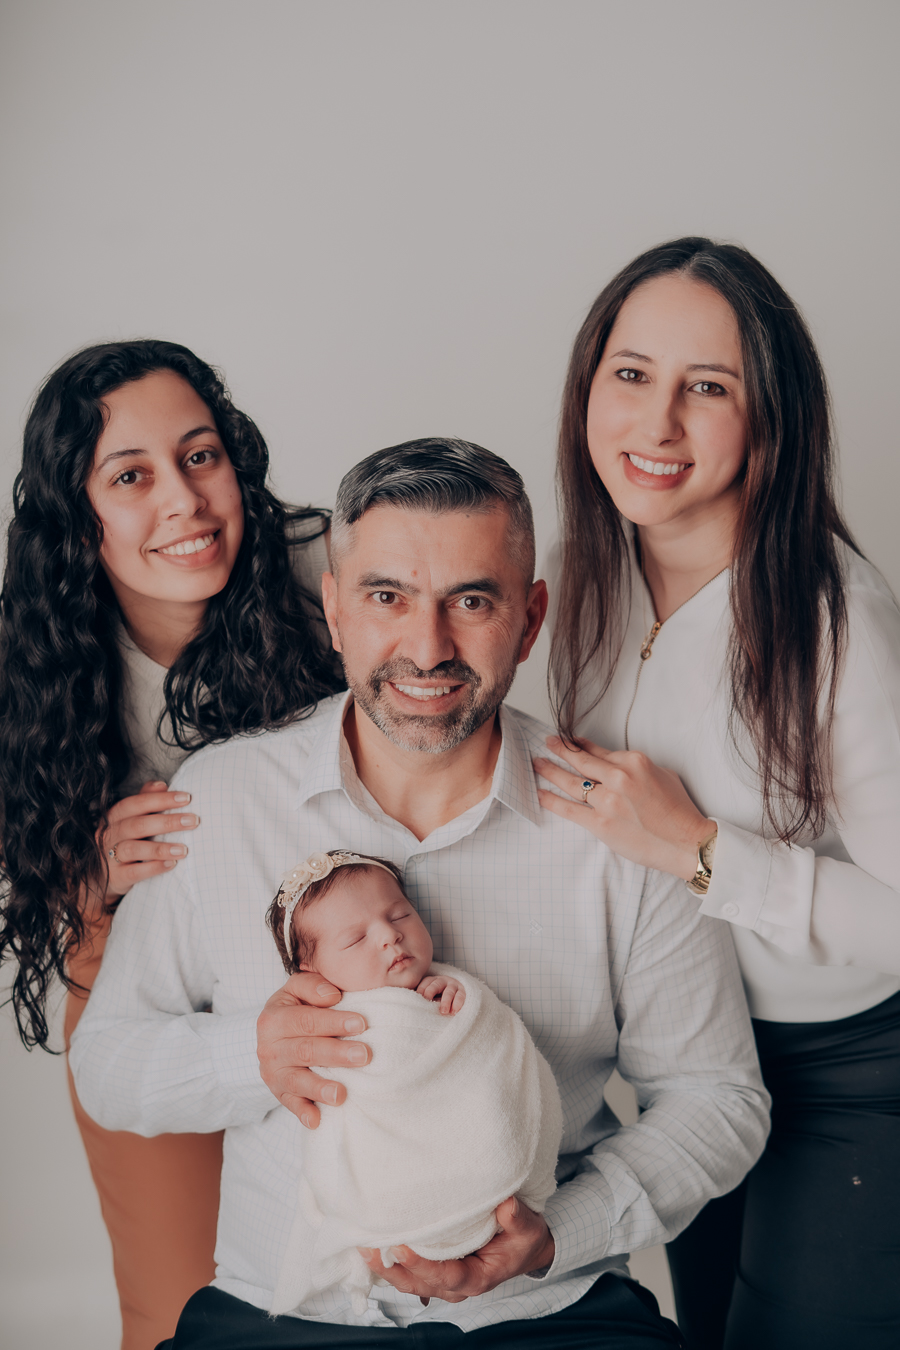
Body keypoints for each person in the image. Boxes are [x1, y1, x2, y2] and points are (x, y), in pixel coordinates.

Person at [71, 438, 768, 1350]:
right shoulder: (219, 800)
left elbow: (718, 1098)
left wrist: (560, 1233)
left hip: (546, 1312)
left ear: (530, 619)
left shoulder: (622, 826)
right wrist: (253, 1057)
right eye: (386, 598)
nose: (428, 648)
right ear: (334, 611)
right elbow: (109, 1065)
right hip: (283, 1313)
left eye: (471, 601)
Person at [537, 237, 900, 1350]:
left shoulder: (836, 617)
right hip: (682, 1070)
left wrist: (700, 849)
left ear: (768, 420)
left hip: (848, 1076)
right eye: (631, 374)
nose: (657, 424)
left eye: (707, 388)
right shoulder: (580, 579)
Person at [0, 339, 343, 1350]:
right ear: (79, 516)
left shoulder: (326, 566)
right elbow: (27, 863)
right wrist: (82, 869)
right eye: (131, 476)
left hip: (324, 959)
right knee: (179, 1306)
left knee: (343, 1283)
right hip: (134, 969)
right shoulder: (30, 646)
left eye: (200, 457)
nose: (184, 501)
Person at [265, 848, 561, 1317]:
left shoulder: (446, 989)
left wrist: (457, 1002)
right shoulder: (323, 1025)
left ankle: (472, 1192)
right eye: (356, 938)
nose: (390, 935)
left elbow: (485, 1052)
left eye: (399, 914)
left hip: (516, 1239)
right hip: (389, 1188)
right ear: (312, 973)